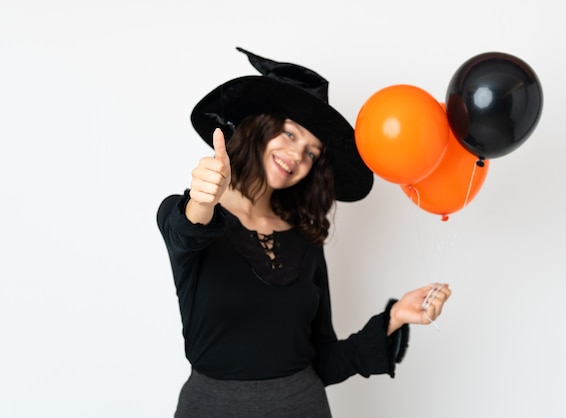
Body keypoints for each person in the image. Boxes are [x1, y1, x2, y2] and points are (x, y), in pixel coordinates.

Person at [157, 47, 452, 418]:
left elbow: (324, 361)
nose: (298, 156)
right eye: (289, 134)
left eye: (312, 152)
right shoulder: (186, 215)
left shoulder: (304, 240)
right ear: (259, 127)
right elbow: (188, 229)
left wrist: (395, 317)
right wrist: (204, 198)